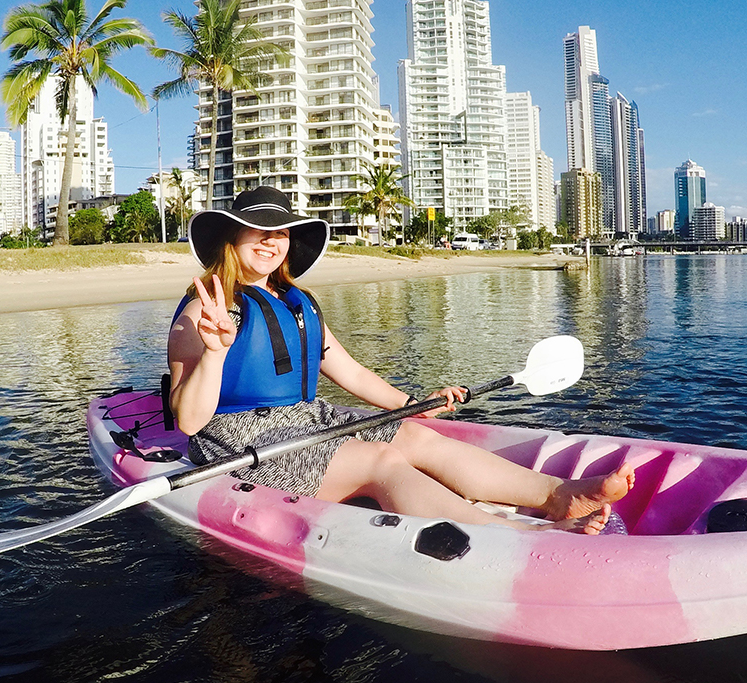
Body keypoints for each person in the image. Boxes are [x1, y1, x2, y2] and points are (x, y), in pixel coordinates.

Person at [168, 186, 633, 534]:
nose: (272, 241)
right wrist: (213, 354)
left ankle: (556, 495)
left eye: (282, 232)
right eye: (260, 230)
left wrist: (413, 402)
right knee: (379, 461)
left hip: (307, 419)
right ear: (232, 236)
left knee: (412, 434)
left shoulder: (295, 302)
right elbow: (188, 421)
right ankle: (512, 532)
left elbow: (347, 370)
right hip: (240, 442)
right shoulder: (201, 311)